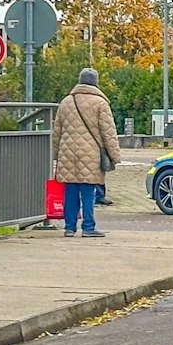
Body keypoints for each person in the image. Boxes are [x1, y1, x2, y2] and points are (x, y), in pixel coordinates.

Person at [53, 67, 120, 238]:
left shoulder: (66, 102)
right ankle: (88, 227)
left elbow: (57, 132)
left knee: (71, 190)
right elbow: (108, 132)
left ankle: (69, 227)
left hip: (67, 153)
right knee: (88, 191)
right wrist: (115, 155)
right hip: (90, 153)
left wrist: (55, 155)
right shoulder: (100, 104)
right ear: (95, 83)